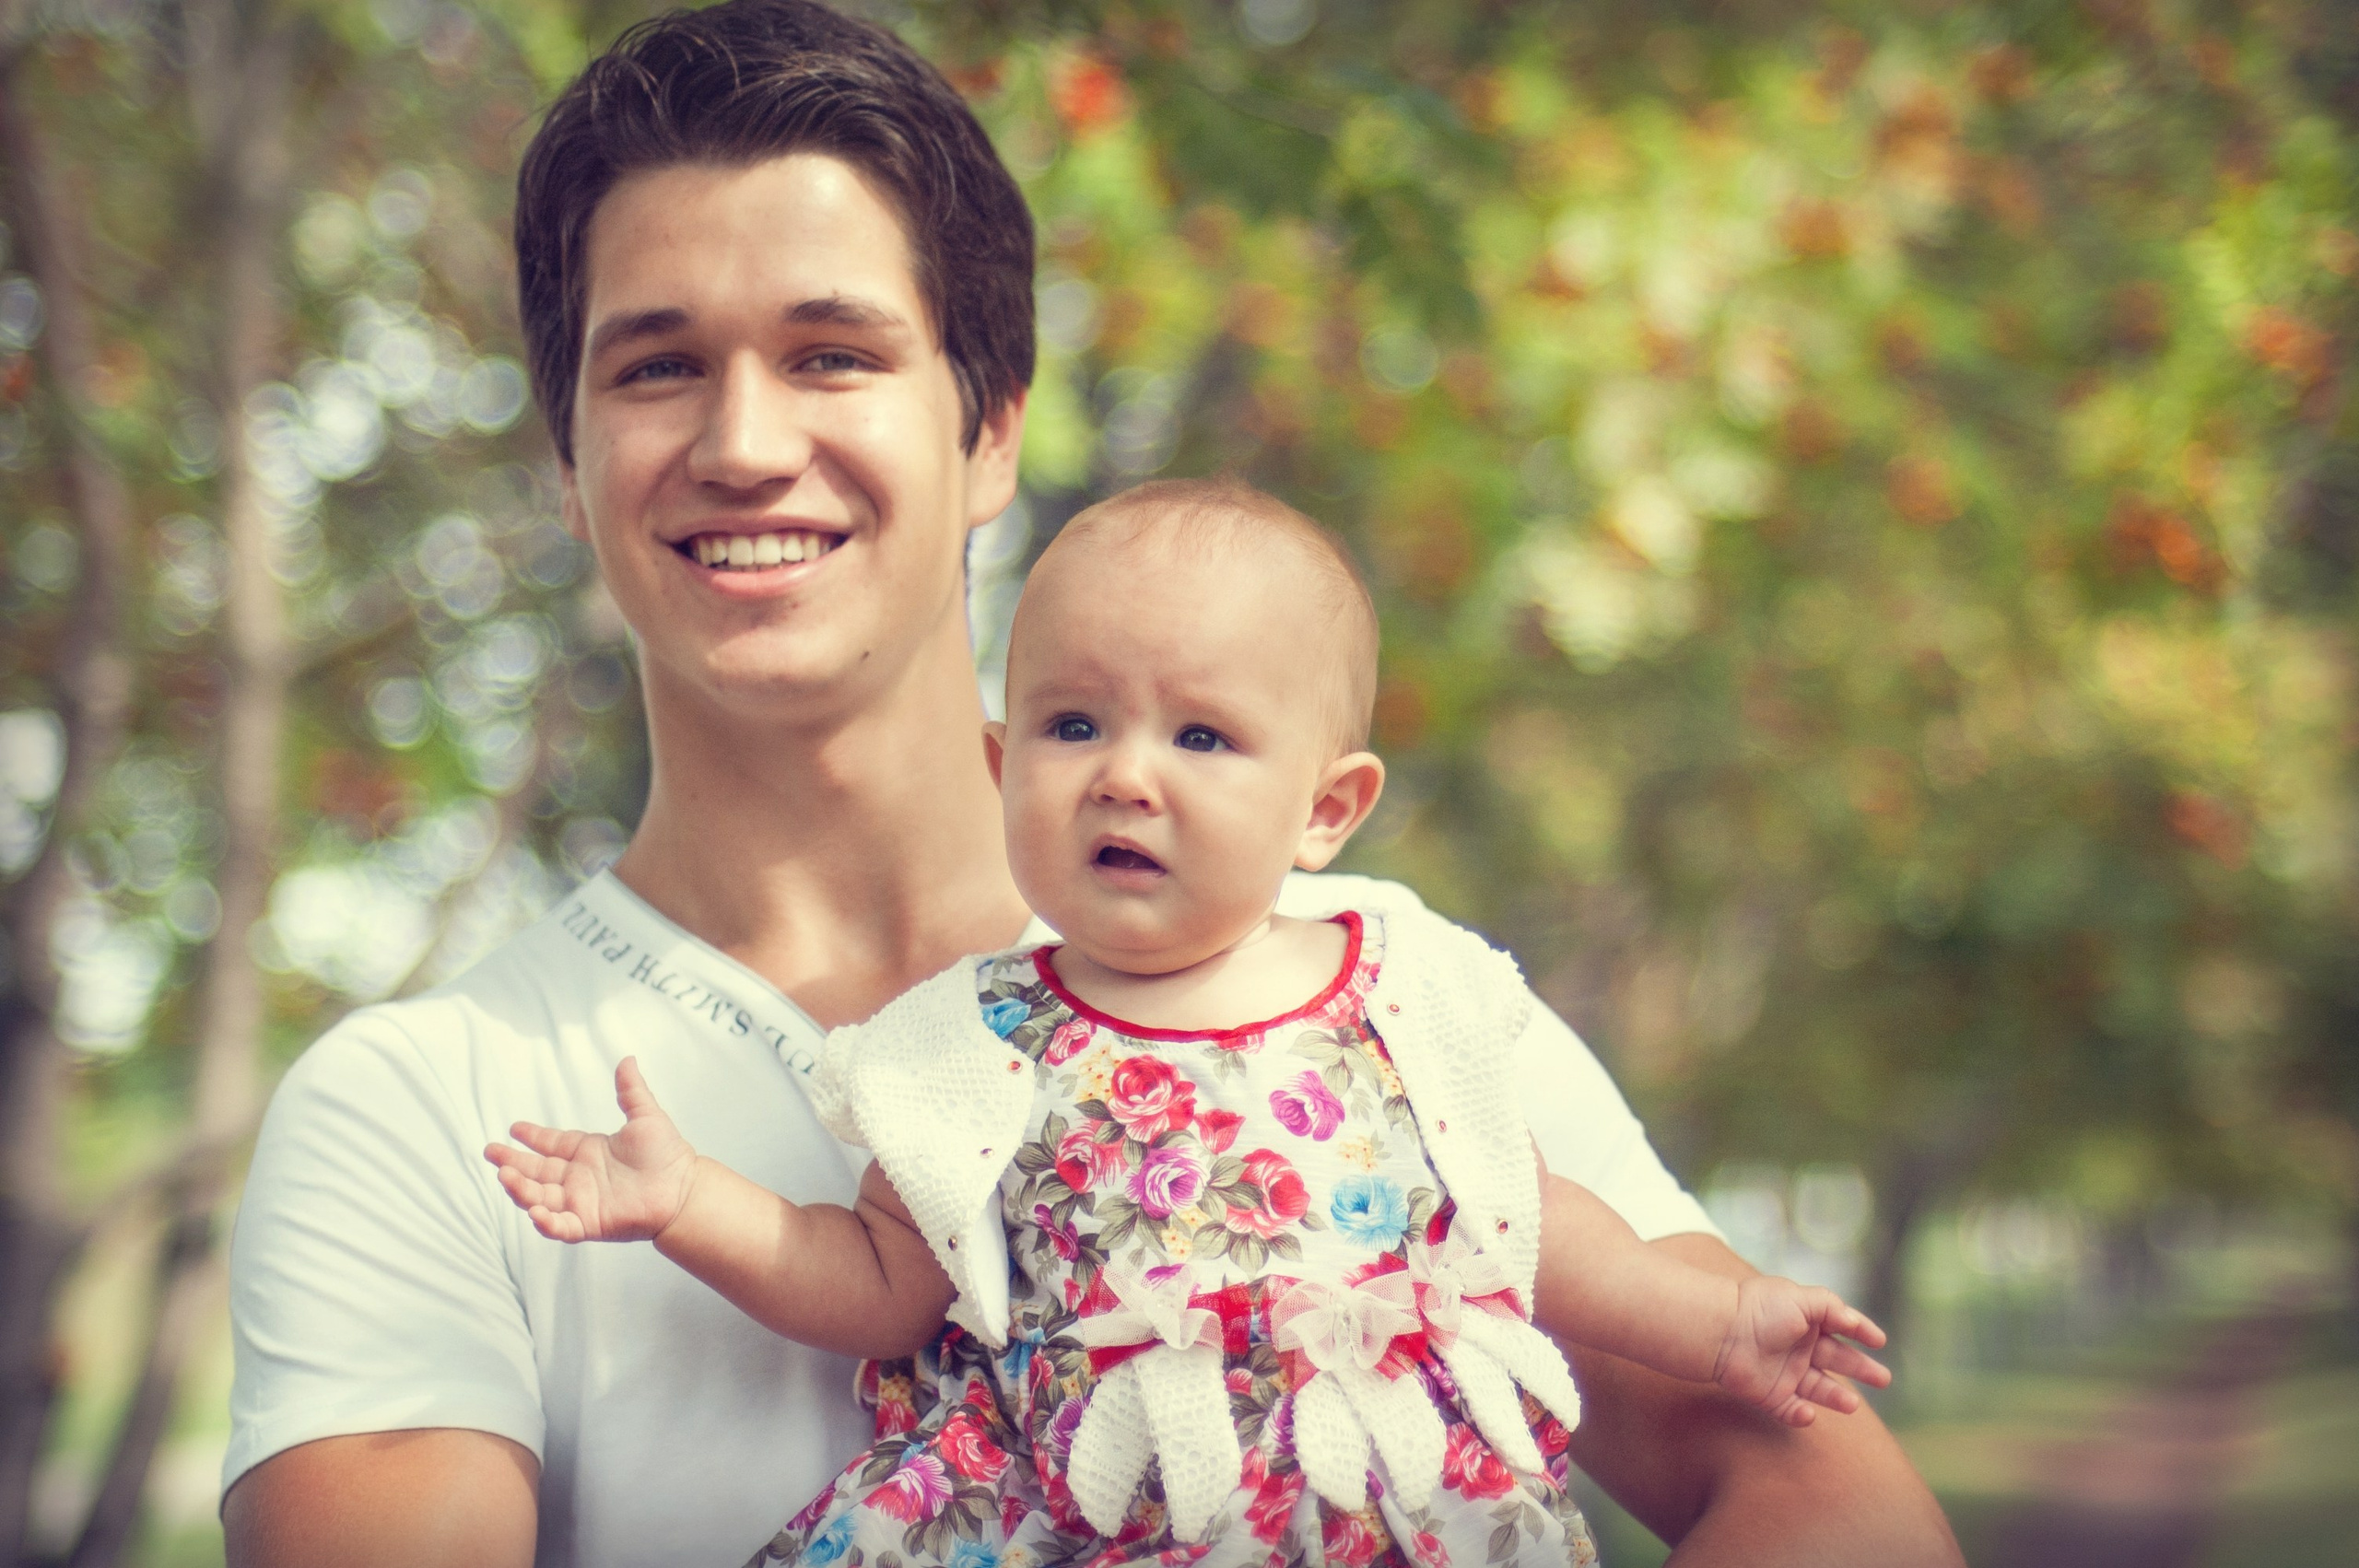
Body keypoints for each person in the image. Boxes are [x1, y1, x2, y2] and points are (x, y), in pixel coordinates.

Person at [218, 3, 1966, 1565]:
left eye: (832, 352)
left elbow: (1827, 1497)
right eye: (658, 363)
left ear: (990, 430)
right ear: (572, 451)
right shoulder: (435, 1113)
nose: (744, 440)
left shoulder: (1374, 1002)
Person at [484, 481, 1896, 1568]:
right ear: (1000, 763)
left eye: (1202, 738)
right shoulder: (969, 1043)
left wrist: (1720, 1320)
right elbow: (874, 1275)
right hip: (1085, 1506)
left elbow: (1527, 1216)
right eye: (1074, 725)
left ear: (1328, 808)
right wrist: (689, 1204)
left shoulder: (1400, 987)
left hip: (1383, 1492)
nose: (1127, 778)